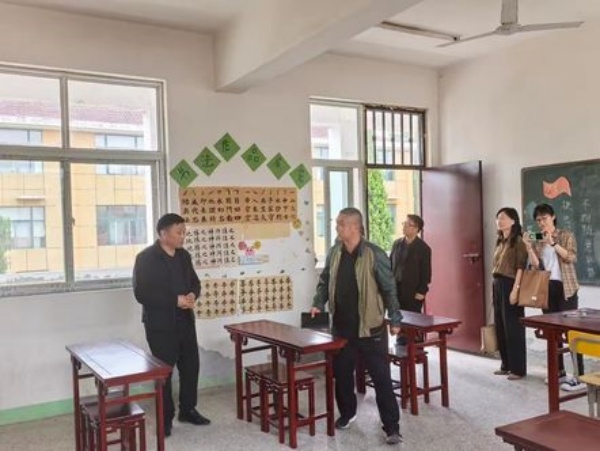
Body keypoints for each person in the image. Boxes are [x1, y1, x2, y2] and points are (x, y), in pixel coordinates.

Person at [310, 207, 402, 445]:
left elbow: (389, 288)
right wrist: (318, 303)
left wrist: (395, 318)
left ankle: (391, 426)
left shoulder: (374, 253)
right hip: (342, 327)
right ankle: (347, 414)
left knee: (381, 378)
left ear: (355, 227)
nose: (337, 227)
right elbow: (325, 281)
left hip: (370, 328)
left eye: (342, 223)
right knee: (341, 375)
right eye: (338, 223)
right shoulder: (335, 252)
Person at [133, 213, 210, 437]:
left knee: (191, 366)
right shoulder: (146, 258)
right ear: (163, 233)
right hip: (160, 326)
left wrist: (192, 295)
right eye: (179, 232)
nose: (183, 236)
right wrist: (174, 300)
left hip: (185, 321)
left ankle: (188, 409)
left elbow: (195, 282)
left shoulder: (184, 256)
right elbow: (142, 293)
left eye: (184, 232)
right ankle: (165, 418)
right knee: (164, 373)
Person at [524, 203, 585, 391]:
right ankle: (558, 372)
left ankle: (580, 376)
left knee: (572, 332)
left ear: (553, 217)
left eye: (544, 218)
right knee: (553, 332)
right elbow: (536, 265)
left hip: (566, 288)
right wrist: (529, 248)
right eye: (538, 220)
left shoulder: (566, 235)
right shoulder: (538, 238)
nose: (541, 223)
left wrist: (553, 243)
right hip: (547, 287)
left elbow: (571, 257)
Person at [491, 207, 528, 380]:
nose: (499, 221)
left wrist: (516, 290)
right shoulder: (500, 241)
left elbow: (521, 267)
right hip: (498, 283)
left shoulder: (519, 241)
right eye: (498, 218)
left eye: (503, 218)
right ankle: (506, 364)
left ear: (513, 221)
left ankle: (518, 369)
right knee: (500, 325)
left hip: (511, 283)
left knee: (513, 327)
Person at [390, 214, 431, 314]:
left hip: (412, 291)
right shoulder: (397, 244)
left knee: (412, 319)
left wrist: (421, 291)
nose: (404, 226)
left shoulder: (423, 248)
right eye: (404, 223)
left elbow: (426, 272)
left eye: (408, 224)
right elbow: (390, 265)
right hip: (395, 289)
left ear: (416, 229)